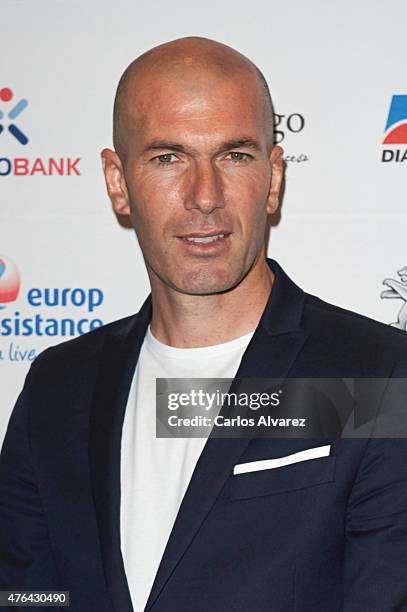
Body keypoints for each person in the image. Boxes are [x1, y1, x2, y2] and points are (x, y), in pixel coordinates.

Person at [1, 36, 407, 612]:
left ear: (272, 178)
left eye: (234, 156)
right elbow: (27, 594)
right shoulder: (59, 385)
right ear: (118, 182)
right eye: (168, 158)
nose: (205, 197)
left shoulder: (382, 378)